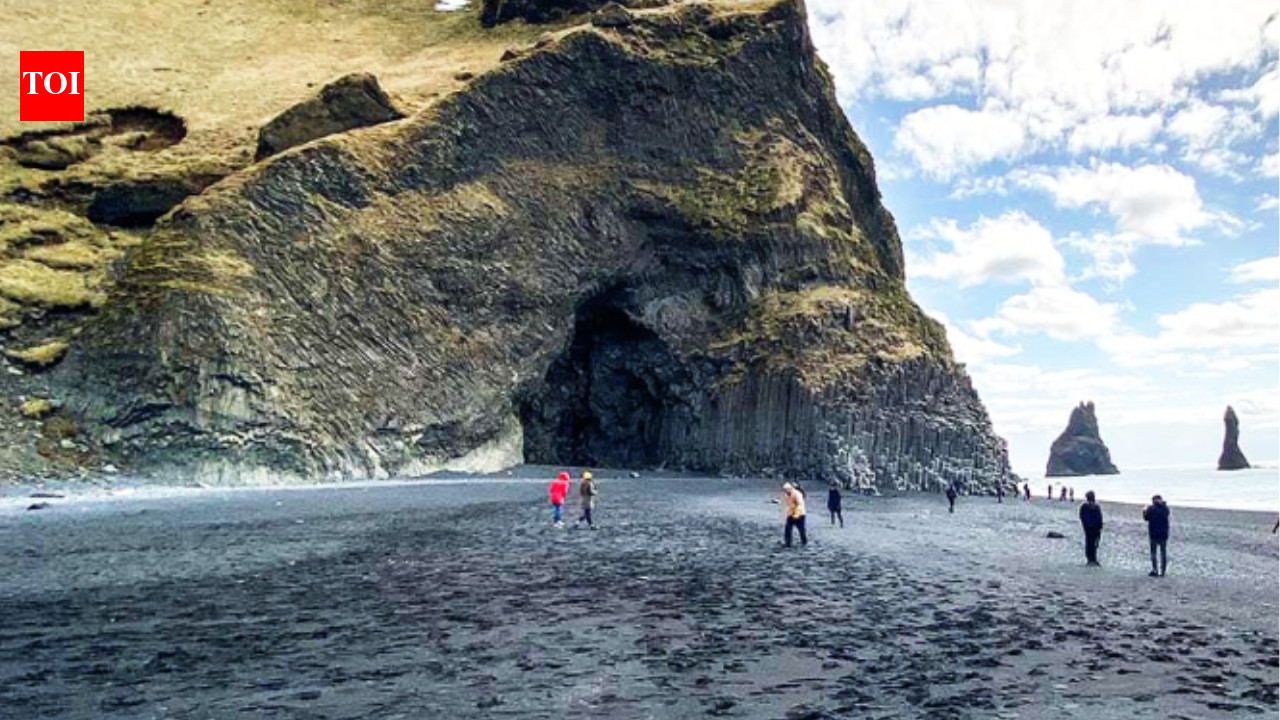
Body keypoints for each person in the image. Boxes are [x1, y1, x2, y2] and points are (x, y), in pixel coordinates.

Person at [1142, 495, 1171, 577]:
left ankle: (1155, 569)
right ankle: (1163, 571)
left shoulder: (1152, 509)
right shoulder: (1165, 509)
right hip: (1163, 533)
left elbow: (1146, 518)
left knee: (1154, 553)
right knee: (1163, 552)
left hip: (1154, 533)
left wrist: (1144, 511)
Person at [1079, 491, 1103, 566]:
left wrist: (1085, 524)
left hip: (1091, 527)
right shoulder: (1092, 507)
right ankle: (1091, 559)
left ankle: (1091, 559)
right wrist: (1099, 527)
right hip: (1092, 528)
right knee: (1092, 542)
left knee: (1091, 542)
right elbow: (1099, 518)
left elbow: (1082, 516)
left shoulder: (1086, 506)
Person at [781, 482, 808, 547]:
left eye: (786, 490)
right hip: (791, 514)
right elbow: (786, 503)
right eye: (784, 490)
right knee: (787, 529)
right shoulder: (786, 495)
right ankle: (788, 543)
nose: (785, 491)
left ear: (790, 489)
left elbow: (800, 505)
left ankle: (804, 542)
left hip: (800, 514)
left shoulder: (797, 494)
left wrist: (796, 514)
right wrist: (777, 502)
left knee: (801, 530)